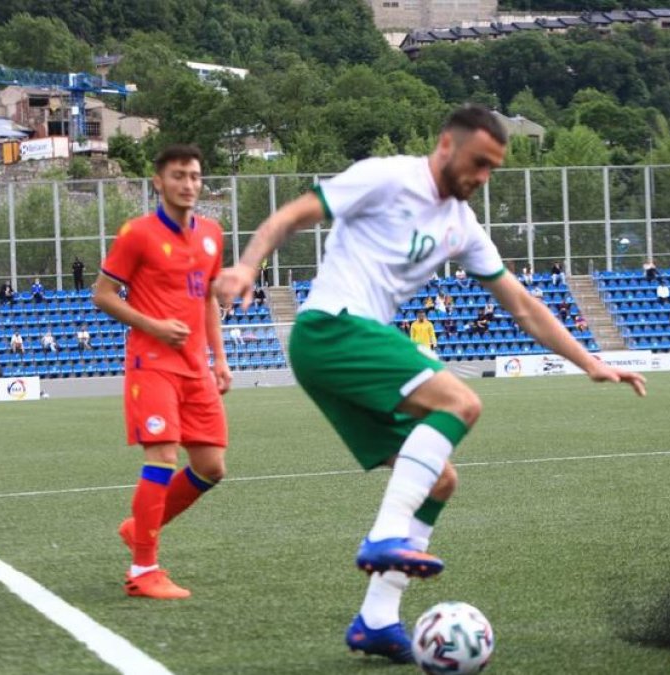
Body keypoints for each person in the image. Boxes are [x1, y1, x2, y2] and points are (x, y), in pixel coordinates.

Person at [212, 105, 646, 663]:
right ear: (446, 145)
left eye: (493, 169)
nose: (483, 177)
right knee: (460, 401)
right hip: (332, 327)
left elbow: (521, 304)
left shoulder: (462, 226)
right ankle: (384, 535)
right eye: (478, 162)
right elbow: (293, 215)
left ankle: (376, 619)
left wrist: (590, 362)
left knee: (440, 480)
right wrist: (248, 266)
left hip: (348, 344)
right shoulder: (389, 177)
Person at [92, 144, 233, 600]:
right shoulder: (137, 234)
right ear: (158, 182)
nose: (188, 184)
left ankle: (139, 528)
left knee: (211, 467)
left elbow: (207, 298)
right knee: (163, 456)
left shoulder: (212, 234)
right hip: (151, 364)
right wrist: (152, 326)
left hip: (195, 367)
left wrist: (219, 358)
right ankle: (143, 569)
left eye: (194, 176)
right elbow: (102, 294)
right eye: (178, 176)